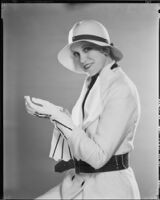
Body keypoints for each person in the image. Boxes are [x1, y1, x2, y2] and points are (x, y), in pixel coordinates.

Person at [24, 20, 141, 199]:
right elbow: (85, 131)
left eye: (87, 49)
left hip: (110, 189)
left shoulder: (121, 88)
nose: (82, 59)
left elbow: (98, 157)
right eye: (77, 54)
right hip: (81, 181)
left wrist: (57, 117)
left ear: (105, 49)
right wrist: (60, 115)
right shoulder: (94, 80)